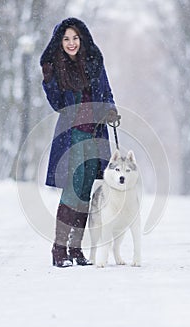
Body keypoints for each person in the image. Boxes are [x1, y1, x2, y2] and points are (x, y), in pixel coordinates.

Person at [40, 17, 120, 267]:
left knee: (85, 189)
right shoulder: (56, 67)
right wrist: (48, 78)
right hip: (72, 134)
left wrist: (110, 109)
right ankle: (59, 249)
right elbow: (57, 104)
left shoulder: (94, 62)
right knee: (73, 188)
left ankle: (75, 249)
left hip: (95, 133)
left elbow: (106, 92)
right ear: (59, 43)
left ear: (82, 39)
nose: (71, 43)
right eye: (66, 39)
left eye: (75, 38)